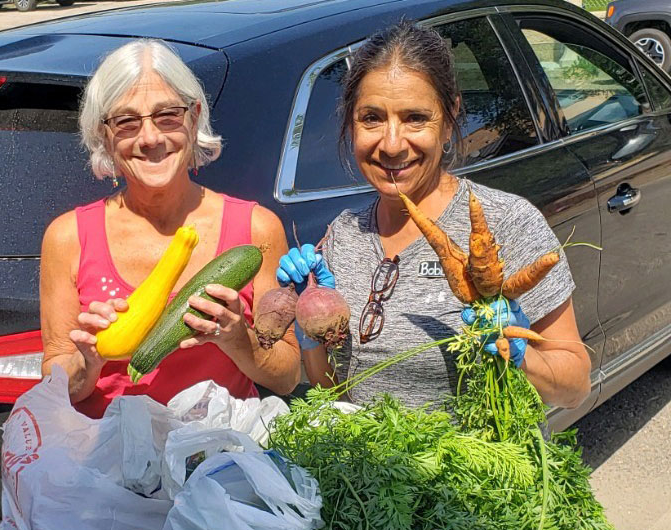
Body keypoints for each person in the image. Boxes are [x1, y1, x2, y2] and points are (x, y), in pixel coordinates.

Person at [277, 20, 591, 410]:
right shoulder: (343, 235)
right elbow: (332, 392)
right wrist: (311, 323)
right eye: (372, 118)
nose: (392, 145)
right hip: (369, 466)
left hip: (483, 467)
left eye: (415, 118)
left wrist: (520, 355)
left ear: (449, 117)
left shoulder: (508, 223)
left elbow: (575, 387)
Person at [40, 39, 300, 418]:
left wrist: (238, 341)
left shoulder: (256, 229)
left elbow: (287, 376)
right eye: (126, 121)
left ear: (194, 119)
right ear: (104, 136)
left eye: (167, 116)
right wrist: (88, 363)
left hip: (219, 460)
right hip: (108, 461)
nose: (150, 138)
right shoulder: (67, 238)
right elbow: (55, 380)